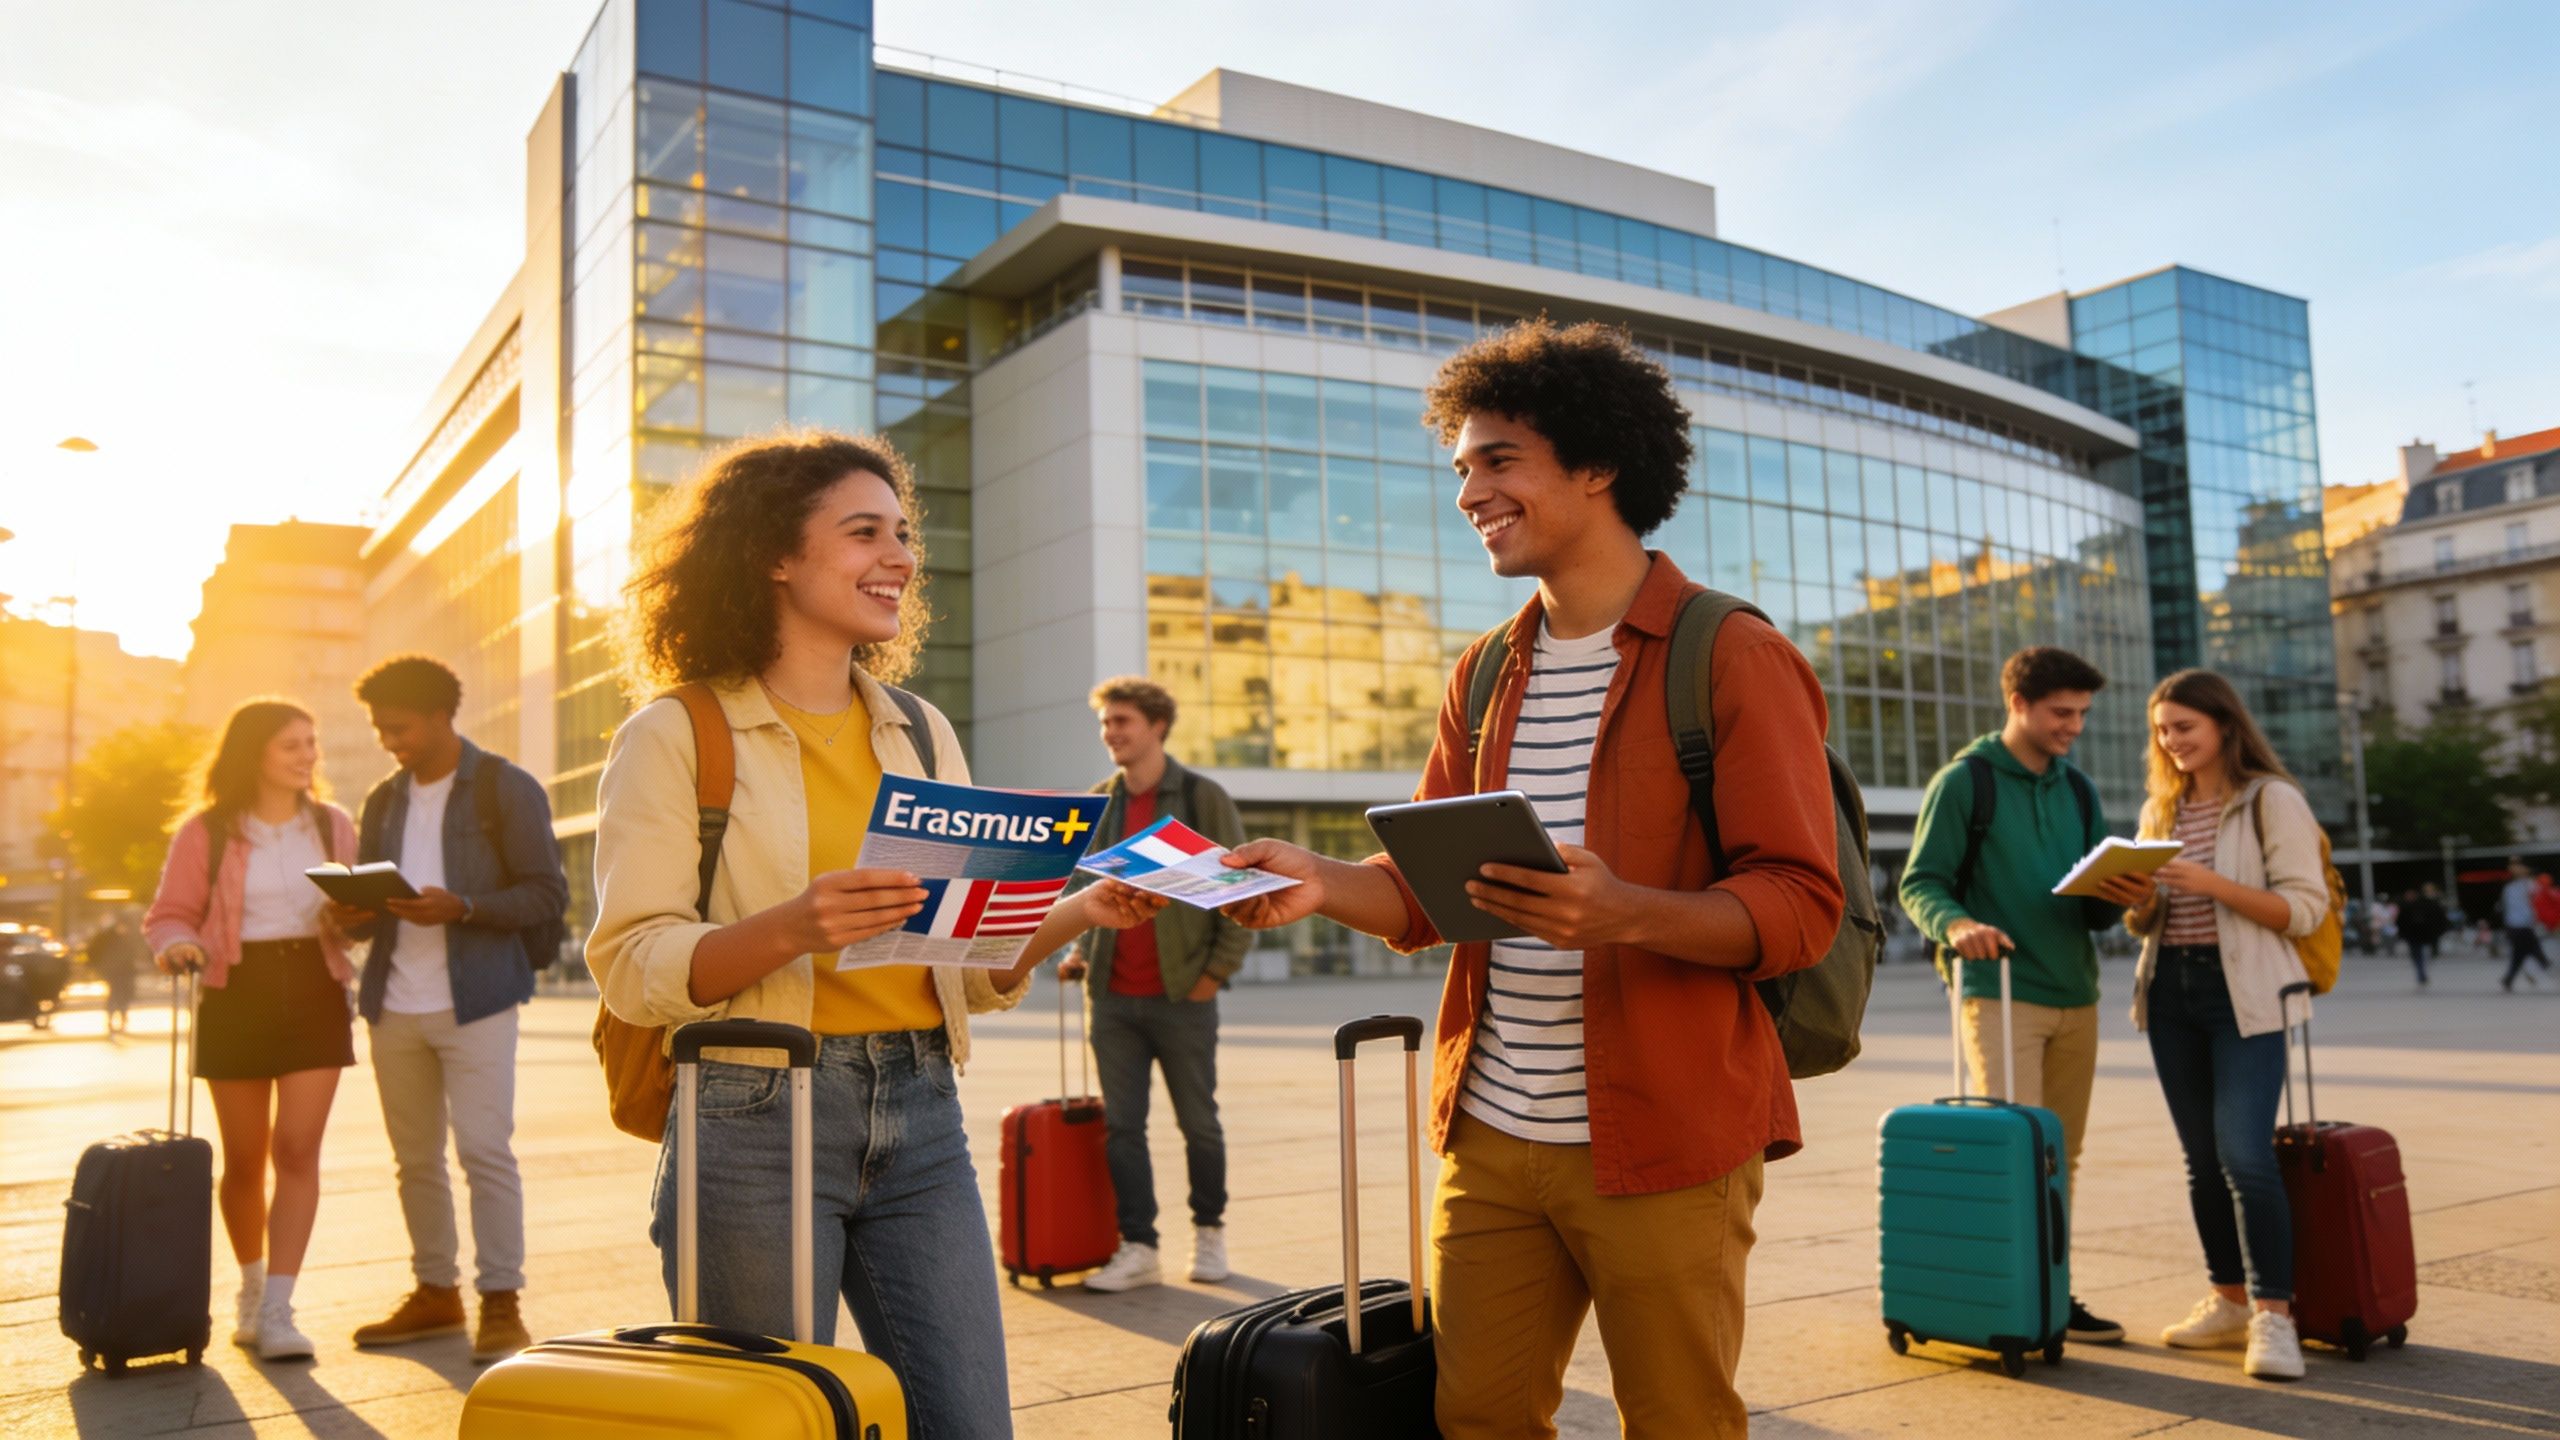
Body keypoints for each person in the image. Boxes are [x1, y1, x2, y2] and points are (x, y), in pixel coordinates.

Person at [1218, 320, 1845, 1438]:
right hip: (1494, 1133)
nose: (1468, 491)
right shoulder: (1488, 669)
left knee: (1678, 1421)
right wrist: (1317, 879)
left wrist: (1625, 914)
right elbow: (1427, 895)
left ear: (1597, 464)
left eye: (1496, 460)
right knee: (1479, 1419)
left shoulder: (1733, 655)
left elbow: (1801, 907)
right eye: (1459, 468)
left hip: (1667, 1137)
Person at [587, 429, 1163, 1438]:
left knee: (969, 1426)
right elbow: (632, 966)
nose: (899, 557)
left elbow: (968, 964)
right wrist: (792, 927)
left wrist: (1073, 909)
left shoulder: (920, 728)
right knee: (773, 1427)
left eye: (901, 534)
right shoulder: (676, 734)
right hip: (751, 1114)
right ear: (773, 552)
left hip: (922, 1109)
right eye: (864, 533)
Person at [1898, 646, 2135, 1345]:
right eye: (2063, 713)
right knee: (2013, 1153)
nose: (2074, 727)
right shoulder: (1965, 782)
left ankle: (2051, 1291)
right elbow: (1920, 883)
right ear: (2018, 704)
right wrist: (1957, 923)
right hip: (1999, 992)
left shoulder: (2079, 789)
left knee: (2062, 1156)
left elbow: (2091, 907)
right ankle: (2008, 1296)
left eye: (2083, 714)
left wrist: (2121, 895)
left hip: (2076, 992)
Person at [332, 655, 566, 1363]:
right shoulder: (384, 799)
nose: (389, 742)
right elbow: (376, 911)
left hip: (479, 1000)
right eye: (380, 730)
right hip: (394, 1003)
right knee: (415, 1161)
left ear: (440, 716)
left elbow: (545, 896)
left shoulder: (504, 788)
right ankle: (436, 1291)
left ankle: (502, 1302)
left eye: (398, 727)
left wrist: (460, 906)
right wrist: (352, 913)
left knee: (484, 1152)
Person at [2111, 669, 2329, 1382]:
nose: (2171, 741)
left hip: (2246, 996)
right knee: (2201, 1161)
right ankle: (2227, 1299)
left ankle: (2275, 1317)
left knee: (2245, 1155)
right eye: (2162, 730)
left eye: (2184, 727)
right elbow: (2147, 920)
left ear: (2225, 727)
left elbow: (2304, 909)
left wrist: (2213, 885)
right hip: (2170, 991)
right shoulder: (2161, 809)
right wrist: (2135, 898)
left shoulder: (2273, 800)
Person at [141, 700, 358, 1363]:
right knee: (243, 1158)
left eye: (311, 743)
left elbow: (353, 912)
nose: (307, 756)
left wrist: (364, 912)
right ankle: (251, 1286)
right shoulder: (205, 833)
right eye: (292, 744)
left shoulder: (332, 825)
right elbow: (168, 916)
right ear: (254, 752)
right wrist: (177, 944)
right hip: (235, 991)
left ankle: (280, 1310)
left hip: (316, 989)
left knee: (297, 1150)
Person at [1058, 676, 1249, 1292]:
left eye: (1122, 722)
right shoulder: (1099, 802)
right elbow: (1079, 893)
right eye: (1106, 725)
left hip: (1181, 997)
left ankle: (1210, 1232)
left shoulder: (1199, 797)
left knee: (1199, 1123)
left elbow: (1239, 891)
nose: (1111, 734)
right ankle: (1138, 1246)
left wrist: (1213, 975)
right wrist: (1078, 950)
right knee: (1122, 1127)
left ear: (1157, 726)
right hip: (1111, 998)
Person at [85, 910, 149, 1035]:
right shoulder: (107, 937)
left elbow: (133, 952)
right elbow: (93, 952)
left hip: (122, 970)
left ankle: (119, 1018)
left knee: (121, 994)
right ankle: (114, 1018)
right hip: (115, 971)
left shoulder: (120, 936)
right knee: (117, 994)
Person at [2497, 858, 2553, 991]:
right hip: (2515, 925)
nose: (2515, 869)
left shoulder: (2532, 885)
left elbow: (2540, 904)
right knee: (2533, 951)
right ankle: (2547, 968)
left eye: (2518, 866)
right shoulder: (2509, 888)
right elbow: (2505, 908)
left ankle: (2508, 979)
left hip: (2527, 925)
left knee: (2521, 953)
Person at [2398, 885, 2449, 986]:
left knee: (2419, 955)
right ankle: (2422, 972)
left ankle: (2421, 972)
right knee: (2422, 955)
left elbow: (2400, 922)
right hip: (2424, 936)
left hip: (2416, 936)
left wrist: (2403, 934)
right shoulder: (2431, 905)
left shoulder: (2408, 906)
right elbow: (2442, 919)